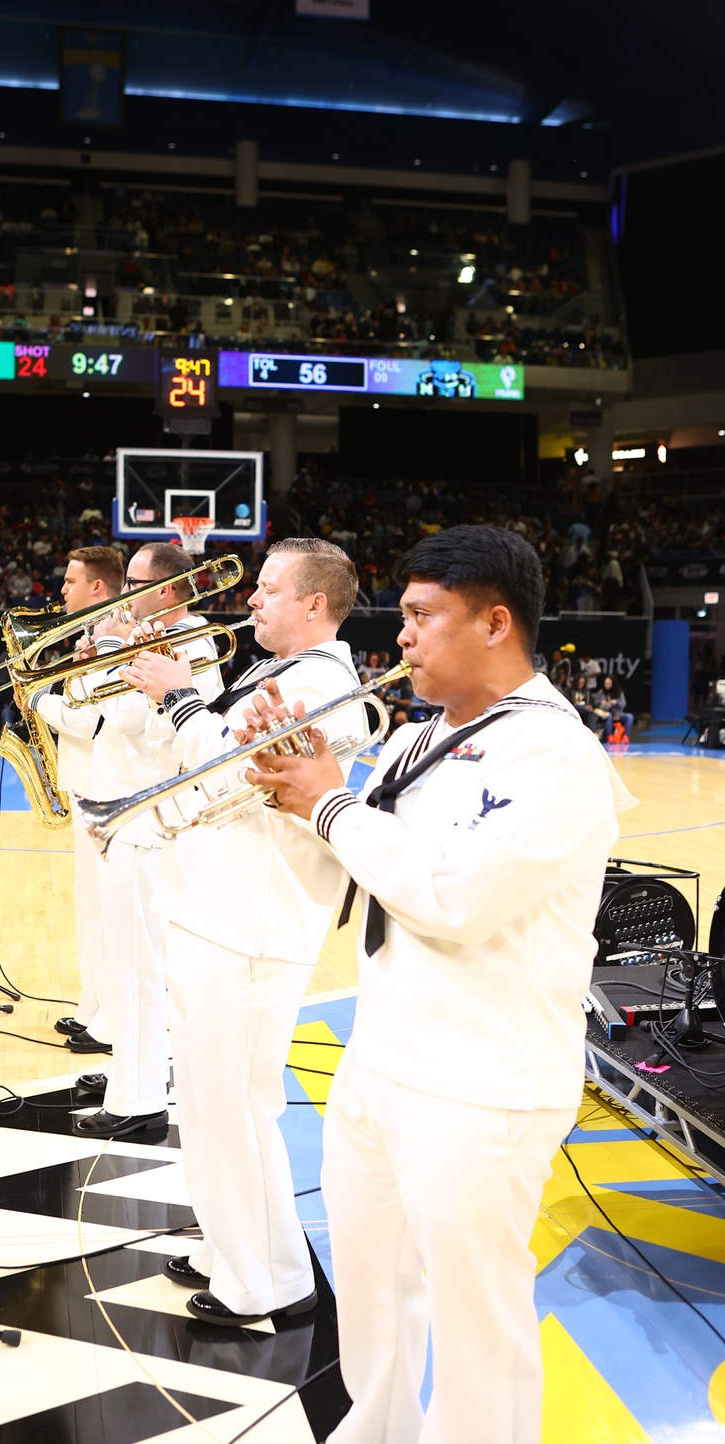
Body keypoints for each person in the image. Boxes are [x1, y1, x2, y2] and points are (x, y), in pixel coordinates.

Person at [245, 524, 636, 1444]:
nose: (404, 637)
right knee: (373, 1290)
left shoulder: (557, 754)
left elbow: (455, 898)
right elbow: (366, 871)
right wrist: (290, 786)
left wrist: (330, 800)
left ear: (496, 623)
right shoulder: (422, 738)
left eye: (424, 616)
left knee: (475, 1324)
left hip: (482, 1080)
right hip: (383, 1056)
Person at [123, 538, 367, 1325]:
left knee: (232, 1102)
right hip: (217, 906)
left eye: (268, 589)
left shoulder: (330, 686)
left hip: (252, 921)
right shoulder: (276, 673)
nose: (252, 600)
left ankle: (268, 1282)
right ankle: (229, 1245)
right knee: (203, 1098)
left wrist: (183, 696)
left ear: (314, 606)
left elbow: (230, 770)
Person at [49, 540, 223, 1140]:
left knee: (138, 969)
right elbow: (94, 709)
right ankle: (132, 1067)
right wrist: (94, 659)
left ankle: (139, 1099)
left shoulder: (193, 647)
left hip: (146, 823)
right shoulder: (147, 638)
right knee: (125, 965)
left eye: (133, 583)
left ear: (168, 591)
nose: (123, 593)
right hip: (119, 816)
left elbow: (124, 722)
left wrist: (118, 656)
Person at [26, 545, 125, 1055]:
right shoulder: (92, 633)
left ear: (97, 588)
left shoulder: (115, 636)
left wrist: (40, 698)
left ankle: (110, 1022)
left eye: (70, 581)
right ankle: (93, 1008)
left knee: (107, 915)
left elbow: (90, 719)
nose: (61, 589)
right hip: (89, 786)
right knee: (90, 911)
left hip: (106, 791)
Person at [593, 673, 633, 743]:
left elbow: (623, 704)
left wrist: (616, 702)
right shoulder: (601, 692)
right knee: (609, 716)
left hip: (618, 714)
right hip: (607, 714)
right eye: (606, 683)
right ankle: (610, 736)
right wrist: (602, 703)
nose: (607, 686)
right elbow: (596, 703)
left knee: (629, 717)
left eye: (609, 684)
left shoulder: (619, 692)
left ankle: (625, 736)